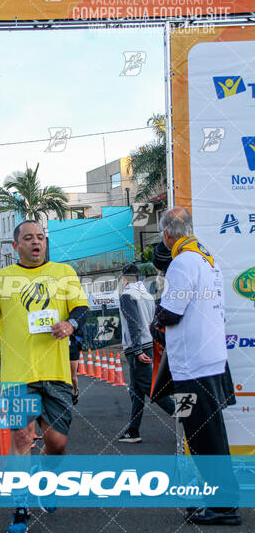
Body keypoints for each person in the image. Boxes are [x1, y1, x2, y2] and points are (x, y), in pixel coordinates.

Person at [0, 220, 89, 533]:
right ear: (15, 246)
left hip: (55, 372)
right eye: (28, 238)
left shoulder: (64, 273)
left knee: (57, 443)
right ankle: (20, 507)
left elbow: (82, 309)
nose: (36, 242)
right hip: (18, 375)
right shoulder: (1, 280)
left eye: (40, 237)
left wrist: (71, 324)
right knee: (21, 437)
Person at [153, 207, 240, 526]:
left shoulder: (183, 261)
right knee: (211, 435)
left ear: (166, 235)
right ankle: (220, 501)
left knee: (203, 437)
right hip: (211, 361)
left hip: (193, 366)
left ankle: (224, 507)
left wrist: (156, 319)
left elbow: (171, 312)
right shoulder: (205, 256)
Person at [118, 263, 175, 443]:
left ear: (125, 278)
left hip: (137, 346)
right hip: (149, 342)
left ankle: (180, 413)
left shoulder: (127, 295)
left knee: (151, 387)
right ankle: (133, 431)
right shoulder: (148, 295)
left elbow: (134, 323)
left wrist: (136, 350)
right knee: (136, 390)